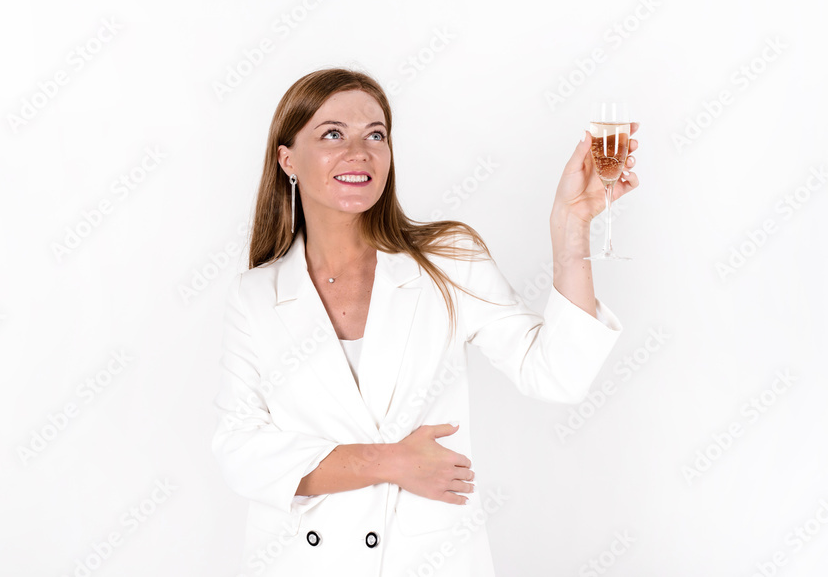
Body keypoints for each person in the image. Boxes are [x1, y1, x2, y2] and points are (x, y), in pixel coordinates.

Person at [211, 67, 640, 576]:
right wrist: (391, 462)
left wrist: (571, 226)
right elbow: (240, 451)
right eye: (332, 134)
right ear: (288, 160)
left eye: (376, 135)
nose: (359, 152)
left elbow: (558, 375)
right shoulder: (255, 295)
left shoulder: (447, 259)